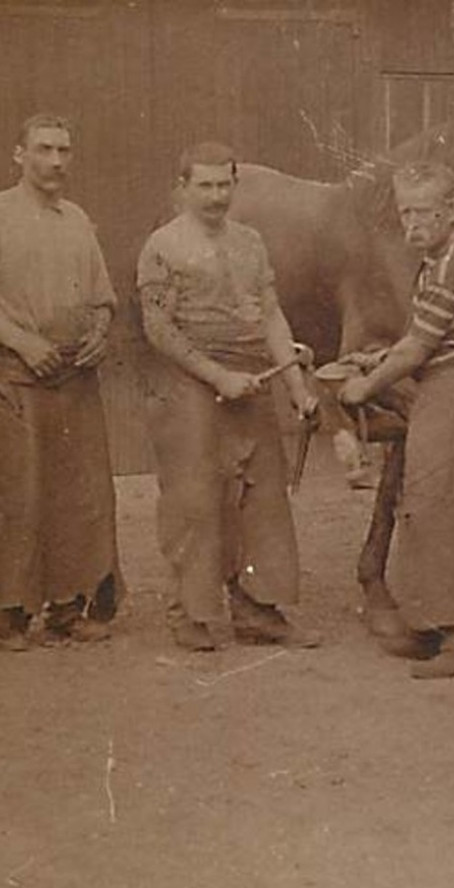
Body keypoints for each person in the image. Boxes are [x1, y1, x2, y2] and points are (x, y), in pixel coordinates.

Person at [136, 141, 321, 651]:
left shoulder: (251, 243)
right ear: (183, 188)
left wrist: (297, 388)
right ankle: (190, 614)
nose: (216, 196)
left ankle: (256, 610)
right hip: (189, 381)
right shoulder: (163, 246)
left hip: (252, 379)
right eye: (205, 186)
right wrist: (217, 377)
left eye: (224, 185)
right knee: (195, 497)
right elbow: (158, 328)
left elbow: (270, 314)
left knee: (262, 496)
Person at [0, 113, 124, 651]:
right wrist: (23, 343)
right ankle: (9, 611)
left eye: (64, 151)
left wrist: (100, 334)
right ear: (19, 154)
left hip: (74, 376)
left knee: (81, 493)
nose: (55, 162)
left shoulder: (76, 217)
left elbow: (102, 297)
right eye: (44, 149)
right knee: (17, 492)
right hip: (16, 375)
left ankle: (69, 606)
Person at [339, 161, 454, 679]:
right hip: (448, 379)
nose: (412, 224)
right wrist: (379, 359)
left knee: (450, 504)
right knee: (427, 501)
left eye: (423, 213)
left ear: (451, 210)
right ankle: (435, 621)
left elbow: (419, 346)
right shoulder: (438, 259)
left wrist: (363, 386)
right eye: (405, 213)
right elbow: (426, 336)